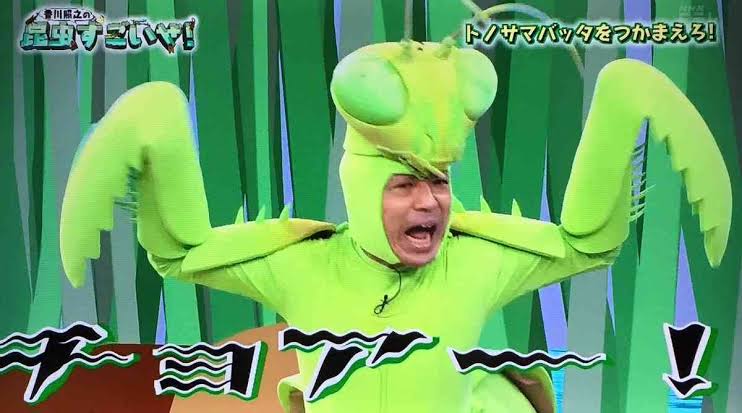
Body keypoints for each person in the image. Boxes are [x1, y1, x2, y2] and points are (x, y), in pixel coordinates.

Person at [60, 39, 731, 413]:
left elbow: (586, 243)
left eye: (438, 182)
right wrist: (154, 121)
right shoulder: (301, 262)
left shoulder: (478, 258)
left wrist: (624, 98)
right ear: (361, 189)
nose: (429, 203)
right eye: (403, 185)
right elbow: (183, 253)